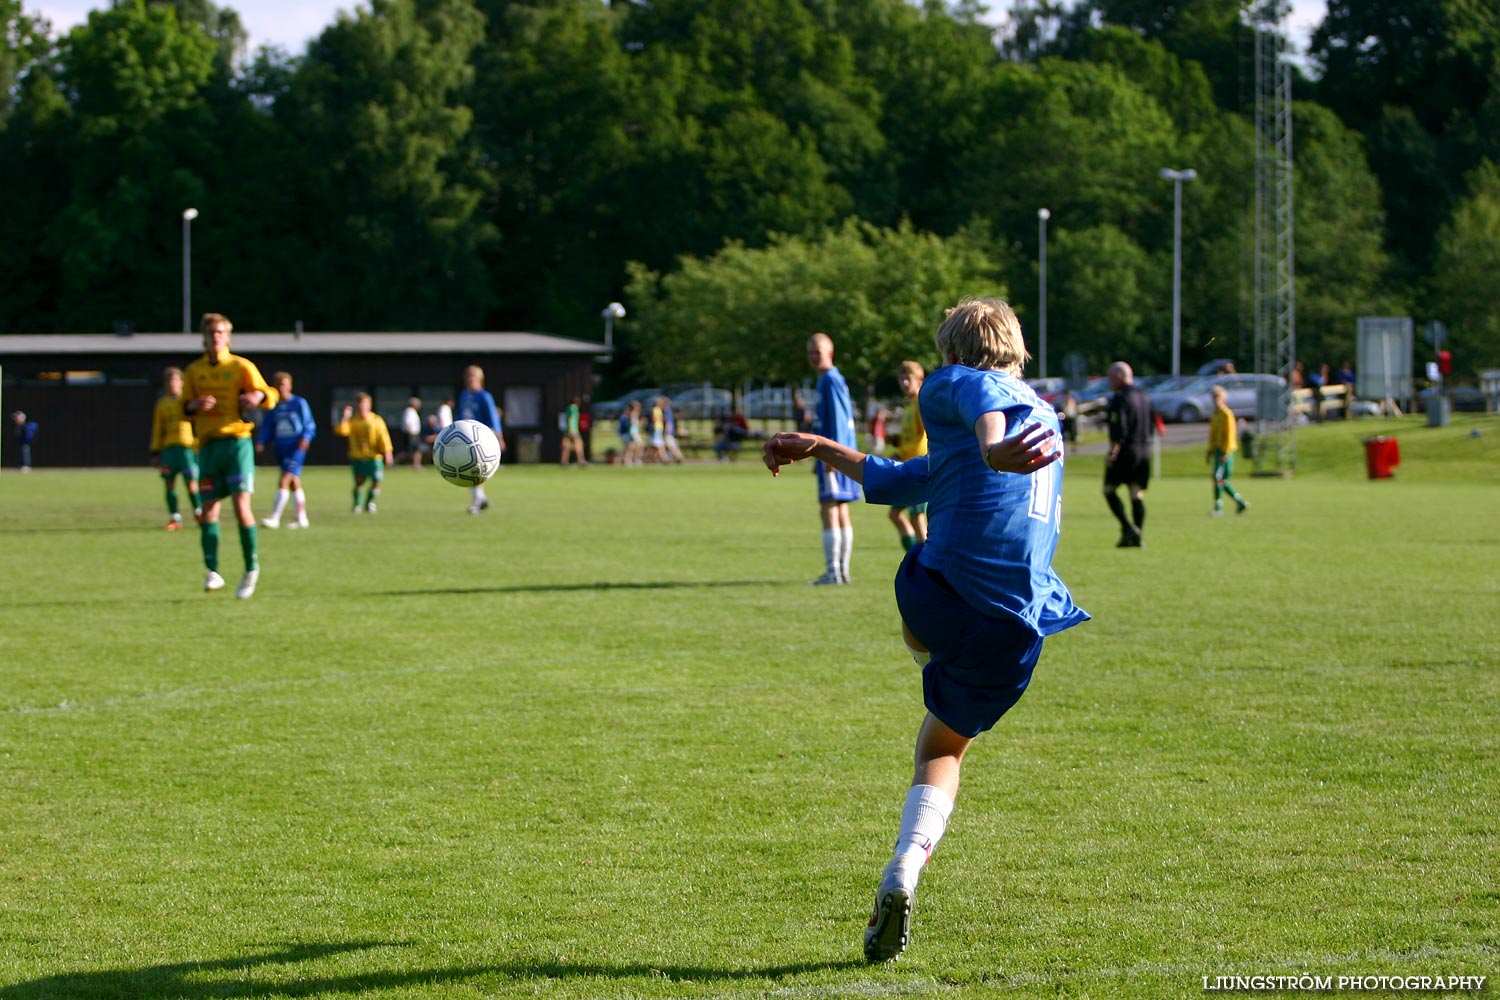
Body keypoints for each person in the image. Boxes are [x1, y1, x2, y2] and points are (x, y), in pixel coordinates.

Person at [760, 296, 1088, 963]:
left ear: (949, 350)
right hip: (1019, 629)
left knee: (914, 575)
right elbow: (904, 478)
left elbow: (979, 410)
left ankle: (926, 658)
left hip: (943, 593)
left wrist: (993, 449)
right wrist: (820, 446)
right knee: (941, 748)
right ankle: (904, 870)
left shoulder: (959, 382)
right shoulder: (1045, 414)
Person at [181, 312, 279, 599]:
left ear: (228, 337)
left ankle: (251, 568)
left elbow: (269, 394)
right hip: (209, 445)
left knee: (240, 506)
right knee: (208, 508)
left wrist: (256, 398)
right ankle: (212, 570)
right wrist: (195, 404)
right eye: (212, 333)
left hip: (237, 442)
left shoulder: (240, 367)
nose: (216, 338)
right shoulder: (194, 372)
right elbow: (182, 410)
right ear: (204, 337)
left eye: (221, 333)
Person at [808, 331, 861, 585]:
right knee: (838, 509)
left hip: (833, 456)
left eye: (818, 351)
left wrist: (832, 457)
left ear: (830, 352)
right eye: (810, 353)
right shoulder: (827, 380)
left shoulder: (830, 379)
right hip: (831, 455)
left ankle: (834, 571)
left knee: (829, 508)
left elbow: (840, 420)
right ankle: (840, 572)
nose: (814, 357)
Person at [256, 371, 316, 529]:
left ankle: (275, 517)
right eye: (278, 385)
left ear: (289, 386)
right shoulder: (273, 405)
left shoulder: (299, 403)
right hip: (280, 446)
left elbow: (309, 424)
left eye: (284, 385)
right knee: (294, 482)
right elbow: (267, 426)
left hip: (296, 447)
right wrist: (261, 440)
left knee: (284, 479)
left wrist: (306, 438)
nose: (281, 388)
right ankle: (302, 519)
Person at [1103, 361, 1152, 548]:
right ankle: (1136, 533)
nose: (1109, 382)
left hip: (1126, 450)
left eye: (1110, 378)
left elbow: (1119, 427)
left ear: (1120, 376)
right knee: (1136, 493)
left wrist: (1113, 451)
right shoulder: (1145, 396)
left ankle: (1128, 527)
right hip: (1144, 450)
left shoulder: (1120, 398)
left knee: (1109, 490)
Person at [149, 368, 201, 530]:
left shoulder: (188, 402)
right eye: (169, 381)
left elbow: (198, 424)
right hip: (169, 450)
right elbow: (158, 428)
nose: (172, 384)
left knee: (192, 484)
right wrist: (155, 451)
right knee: (169, 484)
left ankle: (199, 513)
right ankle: (174, 518)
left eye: (175, 381)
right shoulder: (162, 404)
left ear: (182, 383)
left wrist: (199, 445)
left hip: (187, 448)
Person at [887, 361, 929, 552]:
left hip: (919, 466)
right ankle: (915, 555)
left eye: (908, 378)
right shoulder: (909, 406)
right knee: (896, 514)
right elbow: (910, 437)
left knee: (917, 516)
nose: (904, 382)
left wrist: (901, 452)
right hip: (908, 465)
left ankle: (924, 561)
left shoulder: (921, 403)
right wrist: (897, 442)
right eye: (901, 378)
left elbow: (924, 438)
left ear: (919, 380)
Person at [335, 393, 394, 513]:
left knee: (377, 480)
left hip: (374, 457)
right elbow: (341, 431)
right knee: (359, 482)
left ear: (369, 405)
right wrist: (345, 417)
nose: (362, 406)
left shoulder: (376, 420)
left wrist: (388, 453)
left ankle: (370, 502)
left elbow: (384, 437)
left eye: (364, 403)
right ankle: (357, 504)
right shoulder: (353, 421)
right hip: (358, 457)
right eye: (360, 403)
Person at [456, 366, 502, 513]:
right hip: (464, 438)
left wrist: (498, 436)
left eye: (473, 377)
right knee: (468, 469)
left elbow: (493, 417)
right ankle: (480, 498)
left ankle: (477, 501)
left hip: (480, 439)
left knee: (475, 469)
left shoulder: (484, 396)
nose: (470, 380)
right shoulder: (463, 395)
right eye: (468, 377)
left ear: (479, 379)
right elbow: (458, 415)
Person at [1207, 384, 1250, 516]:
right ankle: (1240, 502)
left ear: (1223, 398)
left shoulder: (1227, 414)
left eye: (1218, 398)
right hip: (1218, 450)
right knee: (1219, 479)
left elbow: (1231, 435)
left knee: (1218, 477)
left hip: (1226, 451)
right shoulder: (1214, 415)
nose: (1215, 400)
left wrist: (1226, 452)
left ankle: (1218, 508)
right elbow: (1213, 435)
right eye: (1214, 398)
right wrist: (1210, 450)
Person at [560, 396, 588, 466]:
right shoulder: (573, 408)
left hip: (568, 430)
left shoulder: (568, 408)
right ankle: (581, 460)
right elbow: (570, 418)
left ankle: (564, 461)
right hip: (573, 430)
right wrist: (571, 429)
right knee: (579, 444)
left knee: (567, 446)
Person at [661, 396, 685, 463]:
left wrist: (667, 431)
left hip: (668, 431)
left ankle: (679, 457)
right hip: (669, 431)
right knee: (667, 445)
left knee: (671, 445)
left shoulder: (666, 410)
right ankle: (667, 458)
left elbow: (669, 423)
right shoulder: (668, 410)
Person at [401, 396, 424, 469]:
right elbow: (408, 423)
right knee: (409, 452)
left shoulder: (413, 411)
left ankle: (416, 464)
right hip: (411, 434)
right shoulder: (409, 411)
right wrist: (411, 434)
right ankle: (394, 462)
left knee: (416, 450)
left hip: (414, 434)